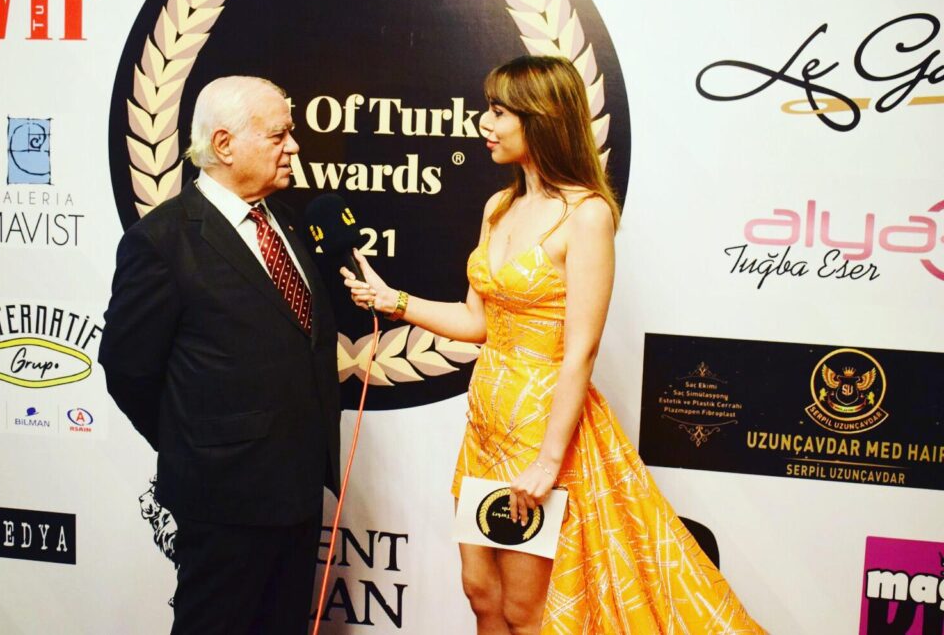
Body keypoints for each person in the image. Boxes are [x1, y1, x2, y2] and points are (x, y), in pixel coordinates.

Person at [342, 56, 763, 634]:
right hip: (486, 425)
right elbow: (476, 321)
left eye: (499, 112)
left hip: (541, 433)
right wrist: (394, 301)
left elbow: (581, 352)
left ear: (540, 118)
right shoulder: (498, 207)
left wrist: (546, 462)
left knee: (525, 609)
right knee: (481, 595)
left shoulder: (586, 216)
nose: (484, 123)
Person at [99, 76, 341, 635]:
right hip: (222, 499)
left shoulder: (285, 221)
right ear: (225, 145)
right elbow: (128, 371)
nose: (294, 146)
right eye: (278, 135)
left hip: (297, 492)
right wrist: (203, 446)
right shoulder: (162, 241)